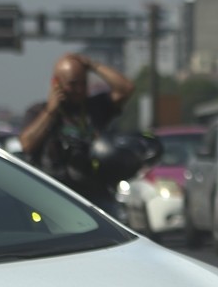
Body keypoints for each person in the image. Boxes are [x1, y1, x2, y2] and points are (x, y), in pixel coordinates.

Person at [19, 52, 135, 213]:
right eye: (73, 84)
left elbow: (126, 88)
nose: (79, 90)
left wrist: (93, 65)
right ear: (56, 84)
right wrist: (51, 111)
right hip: (54, 196)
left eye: (83, 83)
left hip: (94, 196)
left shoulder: (95, 108)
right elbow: (26, 144)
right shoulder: (39, 111)